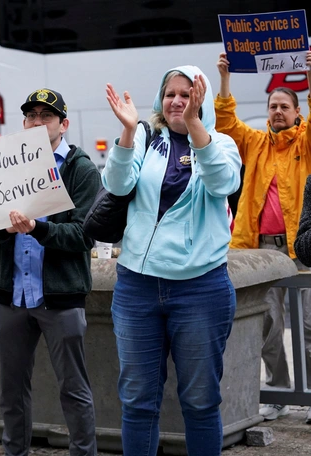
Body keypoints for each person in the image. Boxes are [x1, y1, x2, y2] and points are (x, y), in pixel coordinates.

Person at [102, 66, 241, 455]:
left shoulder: (222, 144)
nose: (177, 101)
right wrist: (128, 133)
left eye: (187, 94)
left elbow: (222, 183)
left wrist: (197, 127)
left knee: (199, 401)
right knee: (136, 401)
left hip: (200, 289)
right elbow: (116, 185)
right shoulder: (147, 138)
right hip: (137, 287)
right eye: (170, 94)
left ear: (201, 98)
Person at [0, 88, 99, 456]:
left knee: (74, 389)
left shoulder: (81, 169)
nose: (36, 122)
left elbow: (86, 234)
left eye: (45, 116)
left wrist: (38, 228)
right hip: (12, 296)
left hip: (60, 297)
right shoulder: (6, 163)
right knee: (11, 391)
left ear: (63, 124)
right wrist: (9, 229)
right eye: (30, 116)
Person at [216, 50, 311, 423]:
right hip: (259, 253)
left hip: (301, 249)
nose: (277, 111)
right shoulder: (254, 143)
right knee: (268, 326)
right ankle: (280, 393)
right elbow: (226, 122)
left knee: (308, 327)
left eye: (284, 106)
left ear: (296, 112)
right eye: (273, 105)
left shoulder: (304, 142)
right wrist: (225, 78)